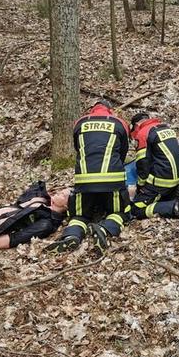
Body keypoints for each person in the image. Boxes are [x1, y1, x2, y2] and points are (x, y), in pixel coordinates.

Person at [47, 100, 132, 254]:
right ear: (109, 110)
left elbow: (78, 148)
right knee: (119, 213)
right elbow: (122, 153)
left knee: (80, 215)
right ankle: (104, 230)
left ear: (92, 110)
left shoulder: (80, 123)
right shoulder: (120, 123)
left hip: (84, 181)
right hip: (112, 180)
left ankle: (71, 236)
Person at [130, 112, 179, 223]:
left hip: (162, 180)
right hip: (178, 176)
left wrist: (140, 186)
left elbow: (143, 164)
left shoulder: (143, 133)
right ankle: (173, 195)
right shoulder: (164, 128)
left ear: (136, 125)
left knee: (136, 209)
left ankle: (174, 207)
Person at [0, 181, 70, 249]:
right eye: (61, 191)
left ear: (66, 206)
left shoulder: (46, 223)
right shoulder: (42, 198)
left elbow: (16, 238)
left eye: (63, 195)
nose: (59, 192)